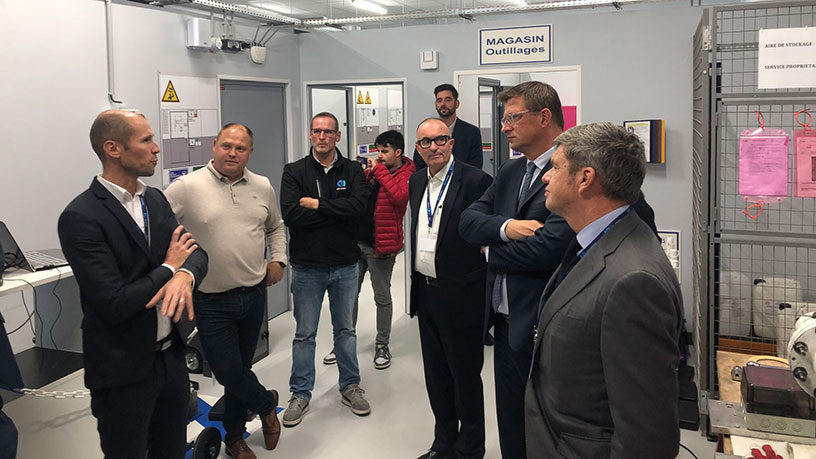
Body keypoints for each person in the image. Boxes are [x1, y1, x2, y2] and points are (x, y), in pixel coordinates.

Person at [459, 81, 657, 459]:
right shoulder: (510, 172)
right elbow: (468, 221)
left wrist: (487, 250)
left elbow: (550, 249)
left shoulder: (581, 177)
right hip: (504, 322)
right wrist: (506, 228)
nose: (504, 127)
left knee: (547, 431)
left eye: (512, 117)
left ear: (544, 117)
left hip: (546, 325)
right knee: (513, 427)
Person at [525, 122, 682, 458]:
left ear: (585, 178)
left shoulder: (635, 282)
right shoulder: (595, 240)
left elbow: (647, 437)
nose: (545, 178)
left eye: (554, 167)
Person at [58, 110, 208, 459]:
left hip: (169, 359)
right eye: (145, 140)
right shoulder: (81, 217)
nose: (156, 149)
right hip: (122, 369)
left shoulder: (154, 199)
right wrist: (171, 267)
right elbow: (115, 301)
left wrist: (185, 274)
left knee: (170, 450)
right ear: (113, 148)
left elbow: (197, 254)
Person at [164, 123, 285, 458]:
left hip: (253, 293)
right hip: (210, 298)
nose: (233, 153)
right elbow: (161, 232)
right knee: (228, 372)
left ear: (250, 152)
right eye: (227, 146)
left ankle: (234, 438)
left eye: (241, 148)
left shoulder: (261, 185)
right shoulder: (186, 187)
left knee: (241, 370)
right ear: (214, 146)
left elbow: (276, 225)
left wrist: (279, 260)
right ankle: (266, 406)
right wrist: (174, 270)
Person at [279, 112, 371, 427]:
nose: (322, 137)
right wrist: (336, 211)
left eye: (328, 132)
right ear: (310, 135)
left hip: (346, 265)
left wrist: (317, 205)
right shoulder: (294, 171)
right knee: (304, 334)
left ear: (337, 136)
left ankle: (350, 385)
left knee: (345, 331)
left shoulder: (354, 170)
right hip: (307, 268)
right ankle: (300, 393)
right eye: (317, 131)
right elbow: (291, 215)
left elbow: (359, 209)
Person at [409, 118, 492, 459]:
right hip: (426, 294)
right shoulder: (416, 181)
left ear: (452, 142)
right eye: (426, 143)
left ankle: (470, 450)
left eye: (440, 140)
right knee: (436, 377)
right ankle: (443, 444)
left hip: (463, 296)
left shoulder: (476, 180)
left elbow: (487, 237)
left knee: (465, 378)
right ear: (418, 148)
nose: (434, 147)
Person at [324, 130, 415, 370]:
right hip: (358, 242)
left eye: (385, 151)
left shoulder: (408, 173)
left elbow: (398, 197)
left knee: (381, 297)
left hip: (382, 246)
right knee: (348, 295)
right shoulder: (376, 173)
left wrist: (379, 171)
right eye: (378, 151)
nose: (380, 156)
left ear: (398, 152)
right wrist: (363, 175)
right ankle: (343, 342)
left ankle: (382, 344)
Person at [413, 83, 483, 170]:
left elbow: (476, 166)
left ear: (457, 103)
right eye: (439, 100)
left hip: (463, 181)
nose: (443, 104)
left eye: (448, 100)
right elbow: (419, 163)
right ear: (436, 105)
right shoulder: (426, 130)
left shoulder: (471, 132)